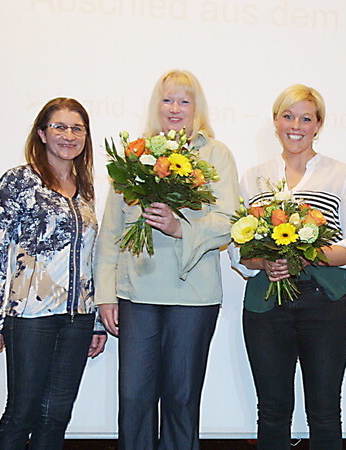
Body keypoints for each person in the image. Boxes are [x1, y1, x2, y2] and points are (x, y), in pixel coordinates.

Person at [95, 70, 239, 450]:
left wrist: (180, 228)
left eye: (184, 101)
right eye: (167, 100)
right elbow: (110, 233)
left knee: (181, 399)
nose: (175, 109)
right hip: (136, 293)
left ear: (197, 108)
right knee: (134, 401)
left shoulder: (216, 155)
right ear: (156, 106)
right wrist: (106, 295)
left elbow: (228, 223)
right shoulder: (134, 157)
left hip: (193, 296)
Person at [231, 84, 346, 449]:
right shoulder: (254, 177)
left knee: (324, 412)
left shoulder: (340, 174)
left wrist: (311, 254)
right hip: (265, 306)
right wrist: (266, 262)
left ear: (318, 124)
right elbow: (238, 252)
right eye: (288, 116)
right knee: (273, 411)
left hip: (325, 304)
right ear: (276, 121)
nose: (296, 125)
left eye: (306, 118)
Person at [0, 97, 107, 449]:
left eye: (77, 128)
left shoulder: (85, 191)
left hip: (77, 319)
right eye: (59, 127)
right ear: (41, 133)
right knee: (21, 413)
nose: (68, 135)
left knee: (56, 417)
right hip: (29, 316)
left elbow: (90, 259)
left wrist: (95, 319)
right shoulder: (19, 181)